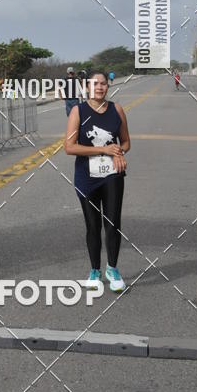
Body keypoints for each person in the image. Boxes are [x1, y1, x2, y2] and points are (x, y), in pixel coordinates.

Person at [64, 71, 131, 293]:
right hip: (86, 178)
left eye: (103, 83)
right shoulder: (78, 111)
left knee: (112, 223)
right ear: (87, 87)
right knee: (92, 226)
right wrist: (103, 149)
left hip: (112, 174)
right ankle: (95, 270)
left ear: (107, 86)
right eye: (95, 84)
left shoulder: (116, 109)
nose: (100, 87)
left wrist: (119, 153)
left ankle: (112, 268)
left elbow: (126, 141)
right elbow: (69, 147)